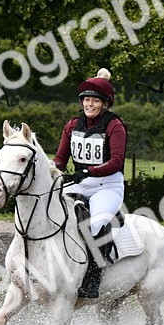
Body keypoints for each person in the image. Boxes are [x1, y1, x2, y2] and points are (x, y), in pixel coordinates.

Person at [53, 68, 127, 299]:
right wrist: (53, 173)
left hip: (107, 186)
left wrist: (88, 171)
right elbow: (60, 159)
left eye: (95, 100)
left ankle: (93, 277)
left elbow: (116, 161)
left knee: (94, 224)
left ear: (104, 104)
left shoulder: (114, 126)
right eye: (86, 100)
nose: (89, 104)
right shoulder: (72, 125)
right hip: (80, 183)